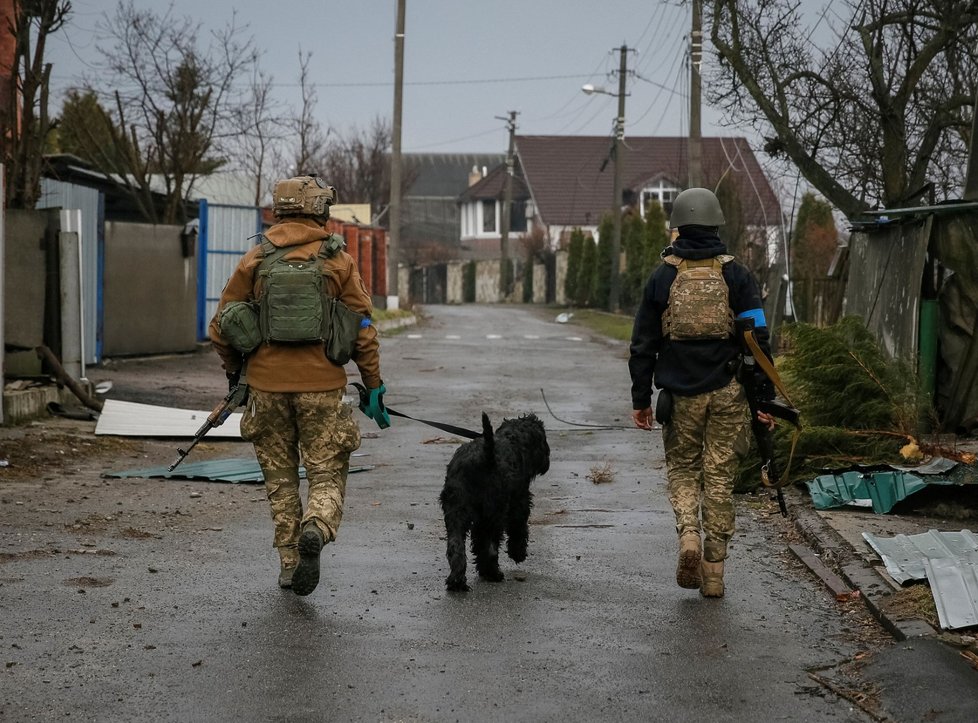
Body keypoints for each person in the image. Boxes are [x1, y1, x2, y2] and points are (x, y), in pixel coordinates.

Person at [208, 175, 388, 596]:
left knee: (280, 480)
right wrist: (374, 385)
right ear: (319, 209)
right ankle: (317, 525)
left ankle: (290, 565)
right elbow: (363, 329)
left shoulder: (255, 260)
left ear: (280, 210)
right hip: (322, 389)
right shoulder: (337, 261)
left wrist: (238, 376)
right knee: (326, 474)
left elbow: (220, 328)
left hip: (266, 390)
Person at [628, 187, 774, 599]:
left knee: (683, 471)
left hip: (680, 397)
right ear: (716, 225)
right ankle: (713, 571)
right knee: (720, 477)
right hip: (728, 393)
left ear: (678, 227)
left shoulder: (663, 276)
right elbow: (759, 343)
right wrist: (762, 401)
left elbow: (642, 344)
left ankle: (688, 535)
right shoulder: (737, 275)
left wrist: (641, 399)